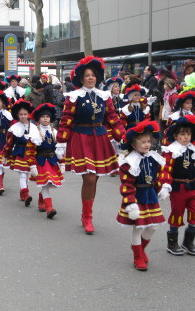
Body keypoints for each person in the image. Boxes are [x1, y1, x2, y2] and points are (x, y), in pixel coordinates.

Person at [56, 56, 125, 234]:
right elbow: (66, 120)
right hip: (81, 138)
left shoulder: (105, 96)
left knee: (95, 178)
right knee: (89, 178)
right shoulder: (73, 97)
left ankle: (87, 212)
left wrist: (124, 137)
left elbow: (113, 118)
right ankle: (87, 216)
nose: (90, 78)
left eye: (93, 75)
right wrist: (61, 143)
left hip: (99, 138)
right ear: (81, 78)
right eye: (87, 75)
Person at [117, 120, 166, 271]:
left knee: (153, 227)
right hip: (137, 197)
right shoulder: (130, 162)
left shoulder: (153, 158)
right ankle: (137, 256)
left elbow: (158, 176)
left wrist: (162, 187)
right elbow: (126, 185)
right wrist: (130, 204)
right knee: (139, 228)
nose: (147, 145)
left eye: (149, 141)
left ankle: (139, 249)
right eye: (143, 142)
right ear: (133, 145)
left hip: (150, 195)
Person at [159, 115, 195, 256]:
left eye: (188, 134)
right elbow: (166, 168)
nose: (186, 137)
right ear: (176, 135)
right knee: (177, 214)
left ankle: (188, 242)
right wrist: (165, 185)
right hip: (178, 188)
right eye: (182, 134)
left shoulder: (194, 150)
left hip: (192, 187)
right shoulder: (171, 151)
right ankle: (172, 243)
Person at [28, 103, 64, 219]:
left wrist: (62, 162)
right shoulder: (35, 132)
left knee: (47, 184)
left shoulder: (55, 132)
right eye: (43, 117)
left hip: (52, 161)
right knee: (46, 182)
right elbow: (30, 151)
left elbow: (60, 148)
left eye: (47, 117)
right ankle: (49, 208)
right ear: (39, 119)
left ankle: (41, 200)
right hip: (41, 161)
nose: (45, 119)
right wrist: (32, 166)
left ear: (50, 119)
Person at [2, 99, 38, 206]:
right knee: (23, 174)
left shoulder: (35, 127)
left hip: (31, 154)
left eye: (25, 114)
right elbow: (9, 144)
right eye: (21, 114)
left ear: (29, 114)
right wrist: (5, 155)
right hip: (20, 153)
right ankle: (26, 194)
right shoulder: (14, 128)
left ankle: (23, 192)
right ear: (17, 115)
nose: (23, 116)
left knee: (26, 175)